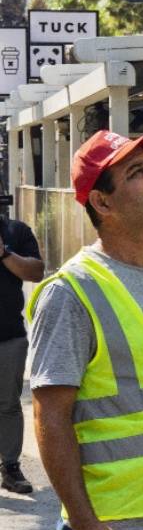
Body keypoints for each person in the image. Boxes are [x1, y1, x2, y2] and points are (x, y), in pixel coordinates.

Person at [27, 128, 143, 530]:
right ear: (102, 203)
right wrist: (86, 527)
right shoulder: (72, 292)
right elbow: (49, 415)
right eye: (136, 173)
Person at [0, 212, 45, 495]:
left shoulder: (16, 231)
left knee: (7, 404)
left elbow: (36, 272)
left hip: (9, 337)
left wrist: (4, 253)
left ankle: (10, 467)